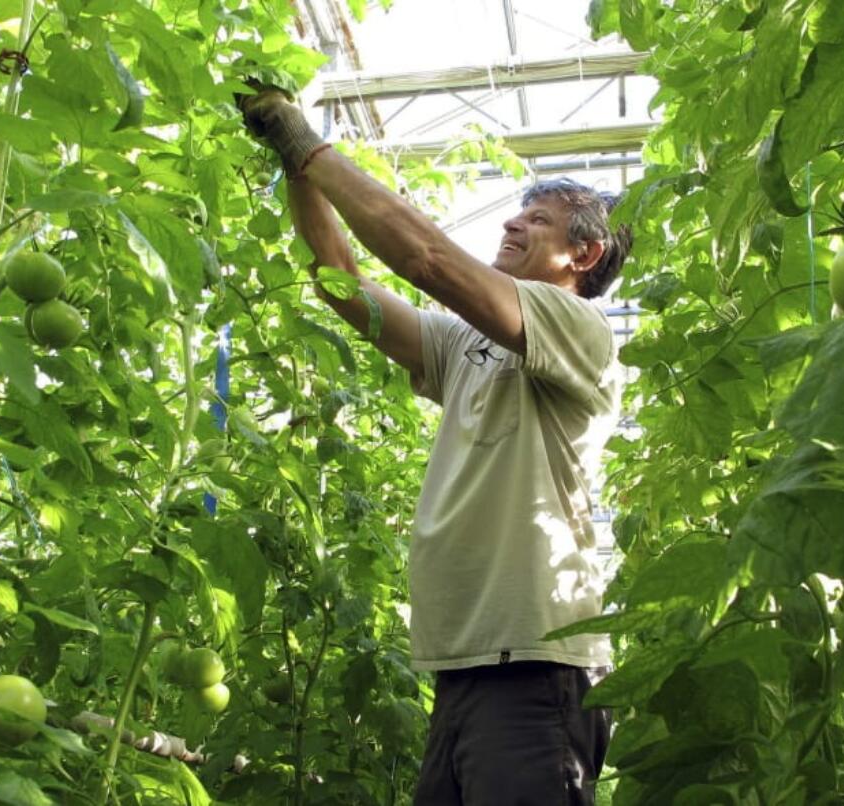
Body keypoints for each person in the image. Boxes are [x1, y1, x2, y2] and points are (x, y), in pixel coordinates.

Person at [239, 85, 632, 805]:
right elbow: (345, 291)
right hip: (466, 664)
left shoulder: (580, 329)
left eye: (538, 220)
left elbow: (427, 260)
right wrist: (297, 173)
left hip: (537, 662)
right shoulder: (468, 343)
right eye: (517, 210)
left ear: (585, 254)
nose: (513, 221)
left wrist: (309, 145)